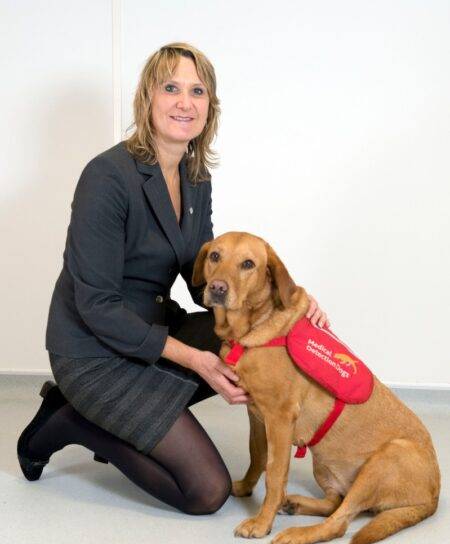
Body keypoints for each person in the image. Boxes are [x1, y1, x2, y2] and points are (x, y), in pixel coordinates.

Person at [17, 42, 329, 514]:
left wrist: (286, 308)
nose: (185, 101)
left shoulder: (195, 175)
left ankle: (139, 409)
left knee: (263, 343)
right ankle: (72, 420)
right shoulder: (106, 177)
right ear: (148, 98)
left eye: (197, 91)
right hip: (93, 351)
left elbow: (203, 278)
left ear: (209, 107)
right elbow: (97, 307)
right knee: (205, 492)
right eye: (171, 88)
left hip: (154, 329)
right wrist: (198, 361)